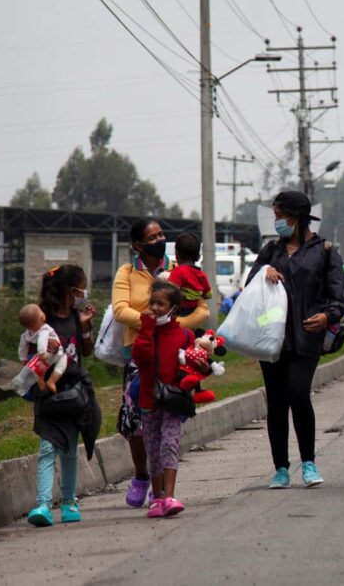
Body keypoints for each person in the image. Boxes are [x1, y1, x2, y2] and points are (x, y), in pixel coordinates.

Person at [243, 190, 344, 490]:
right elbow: (250, 284)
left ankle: (309, 462)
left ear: (295, 217)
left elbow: (338, 297)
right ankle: (280, 468)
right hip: (271, 339)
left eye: (279, 216)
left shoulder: (326, 251)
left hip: (307, 337)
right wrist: (266, 272)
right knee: (276, 402)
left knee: (298, 393)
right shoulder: (270, 250)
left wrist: (327, 316)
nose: (276, 222)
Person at [113, 219, 209, 508]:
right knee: (136, 423)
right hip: (138, 352)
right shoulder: (128, 272)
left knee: (168, 422)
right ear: (138, 245)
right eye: (152, 236)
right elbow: (120, 309)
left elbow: (202, 309)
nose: (159, 239)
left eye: (162, 234)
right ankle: (142, 476)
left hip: (172, 352)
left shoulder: (182, 270)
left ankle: (163, 492)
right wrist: (150, 322)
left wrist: (173, 325)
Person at [27, 265, 101, 527]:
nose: (84, 293)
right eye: (82, 287)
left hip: (73, 393)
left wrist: (85, 327)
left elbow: (87, 351)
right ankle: (43, 504)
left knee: (69, 450)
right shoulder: (43, 319)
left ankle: (69, 501)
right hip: (48, 392)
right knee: (48, 447)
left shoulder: (75, 316)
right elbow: (28, 351)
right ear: (72, 290)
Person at [129, 281, 191, 518]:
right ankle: (156, 497)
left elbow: (192, 364)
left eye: (160, 304)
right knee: (153, 449)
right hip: (148, 401)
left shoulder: (182, 334)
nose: (154, 307)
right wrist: (146, 329)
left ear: (174, 308)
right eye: (151, 302)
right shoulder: (146, 333)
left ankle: (170, 496)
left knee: (169, 444)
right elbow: (139, 356)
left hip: (173, 401)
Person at [15, 304, 68, 394]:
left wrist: (23, 358)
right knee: (63, 361)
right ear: (41, 317)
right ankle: (52, 381)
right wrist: (42, 352)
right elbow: (42, 340)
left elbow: (22, 346)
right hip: (55, 353)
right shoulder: (44, 329)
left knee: (39, 368)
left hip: (42, 357)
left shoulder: (27, 334)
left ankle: (41, 381)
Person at [165, 232, 212, 317]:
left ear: (176, 255)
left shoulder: (178, 272)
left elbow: (170, 292)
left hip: (179, 313)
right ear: (198, 257)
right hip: (195, 312)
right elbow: (208, 295)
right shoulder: (202, 275)